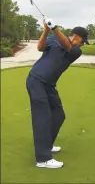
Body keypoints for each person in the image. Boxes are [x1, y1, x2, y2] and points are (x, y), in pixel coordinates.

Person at [26, 18, 89, 168]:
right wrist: (46, 30)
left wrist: (54, 28)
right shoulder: (54, 38)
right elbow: (40, 47)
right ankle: (43, 159)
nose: (81, 44)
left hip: (49, 85)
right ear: (76, 36)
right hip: (36, 80)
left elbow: (66, 45)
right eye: (82, 41)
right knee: (43, 118)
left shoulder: (76, 51)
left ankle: (47, 144)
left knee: (59, 114)